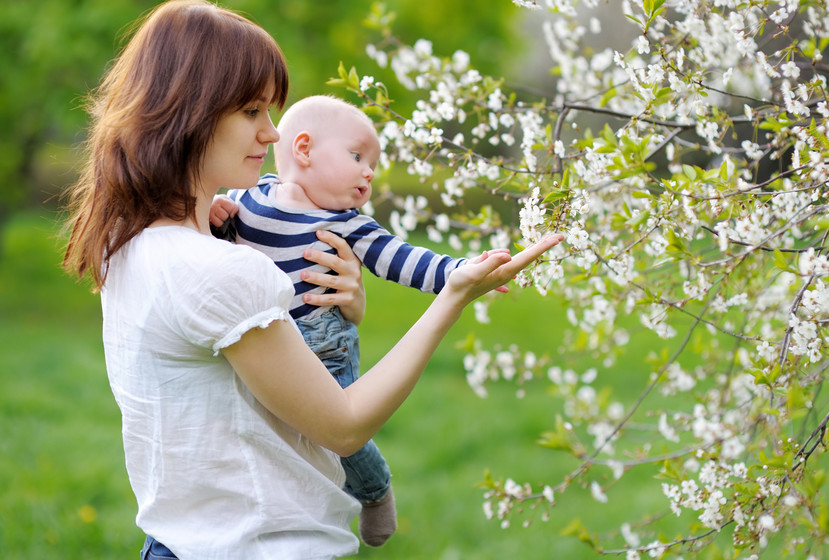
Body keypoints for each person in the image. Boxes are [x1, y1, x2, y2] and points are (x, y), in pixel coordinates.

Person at [62, 1, 561, 559]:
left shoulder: (126, 245)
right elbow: (344, 427)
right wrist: (454, 294)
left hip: (178, 540)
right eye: (252, 110)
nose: (272, 134)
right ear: (192, 112)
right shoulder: (217, 273)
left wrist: (339, 309)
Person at [209, 94, 511, 547]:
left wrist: (457, 270)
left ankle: (374, 489)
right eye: (357, 157)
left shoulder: (348, 225)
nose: (369, 172)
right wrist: (215, 217)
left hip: (322, 342)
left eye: (372, 162)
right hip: (265, 341)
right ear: (305, 150)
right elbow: (215, 246)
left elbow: (401, 259)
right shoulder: (245, 199)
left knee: (337, 434)